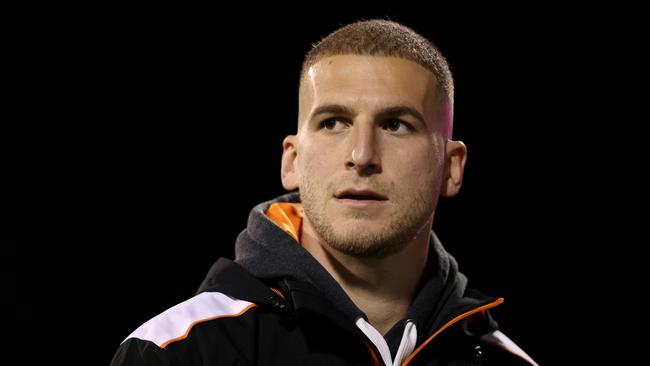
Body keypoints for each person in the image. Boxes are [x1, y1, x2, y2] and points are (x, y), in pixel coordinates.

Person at [110, 19, 538, 366]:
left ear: (452, 167)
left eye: (396, 124)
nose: (362, 154)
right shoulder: (175, 353)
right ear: (291, 160)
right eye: (333, 122)